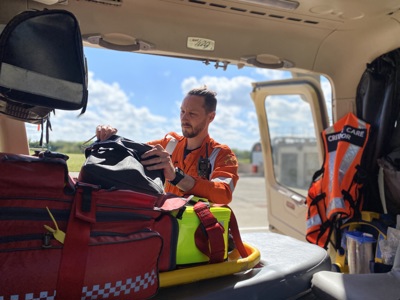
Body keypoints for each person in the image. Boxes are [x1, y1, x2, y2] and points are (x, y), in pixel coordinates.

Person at [96, 87, 239, 204]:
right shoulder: (169, 143)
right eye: (182, 111)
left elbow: (223, 193)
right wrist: (109, 138)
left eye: (192, 114)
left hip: (198, 233)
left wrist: (175, 176)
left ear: (211, 117)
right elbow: (132, 152)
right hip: (165, 227)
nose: (184, 118)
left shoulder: (221, 154)